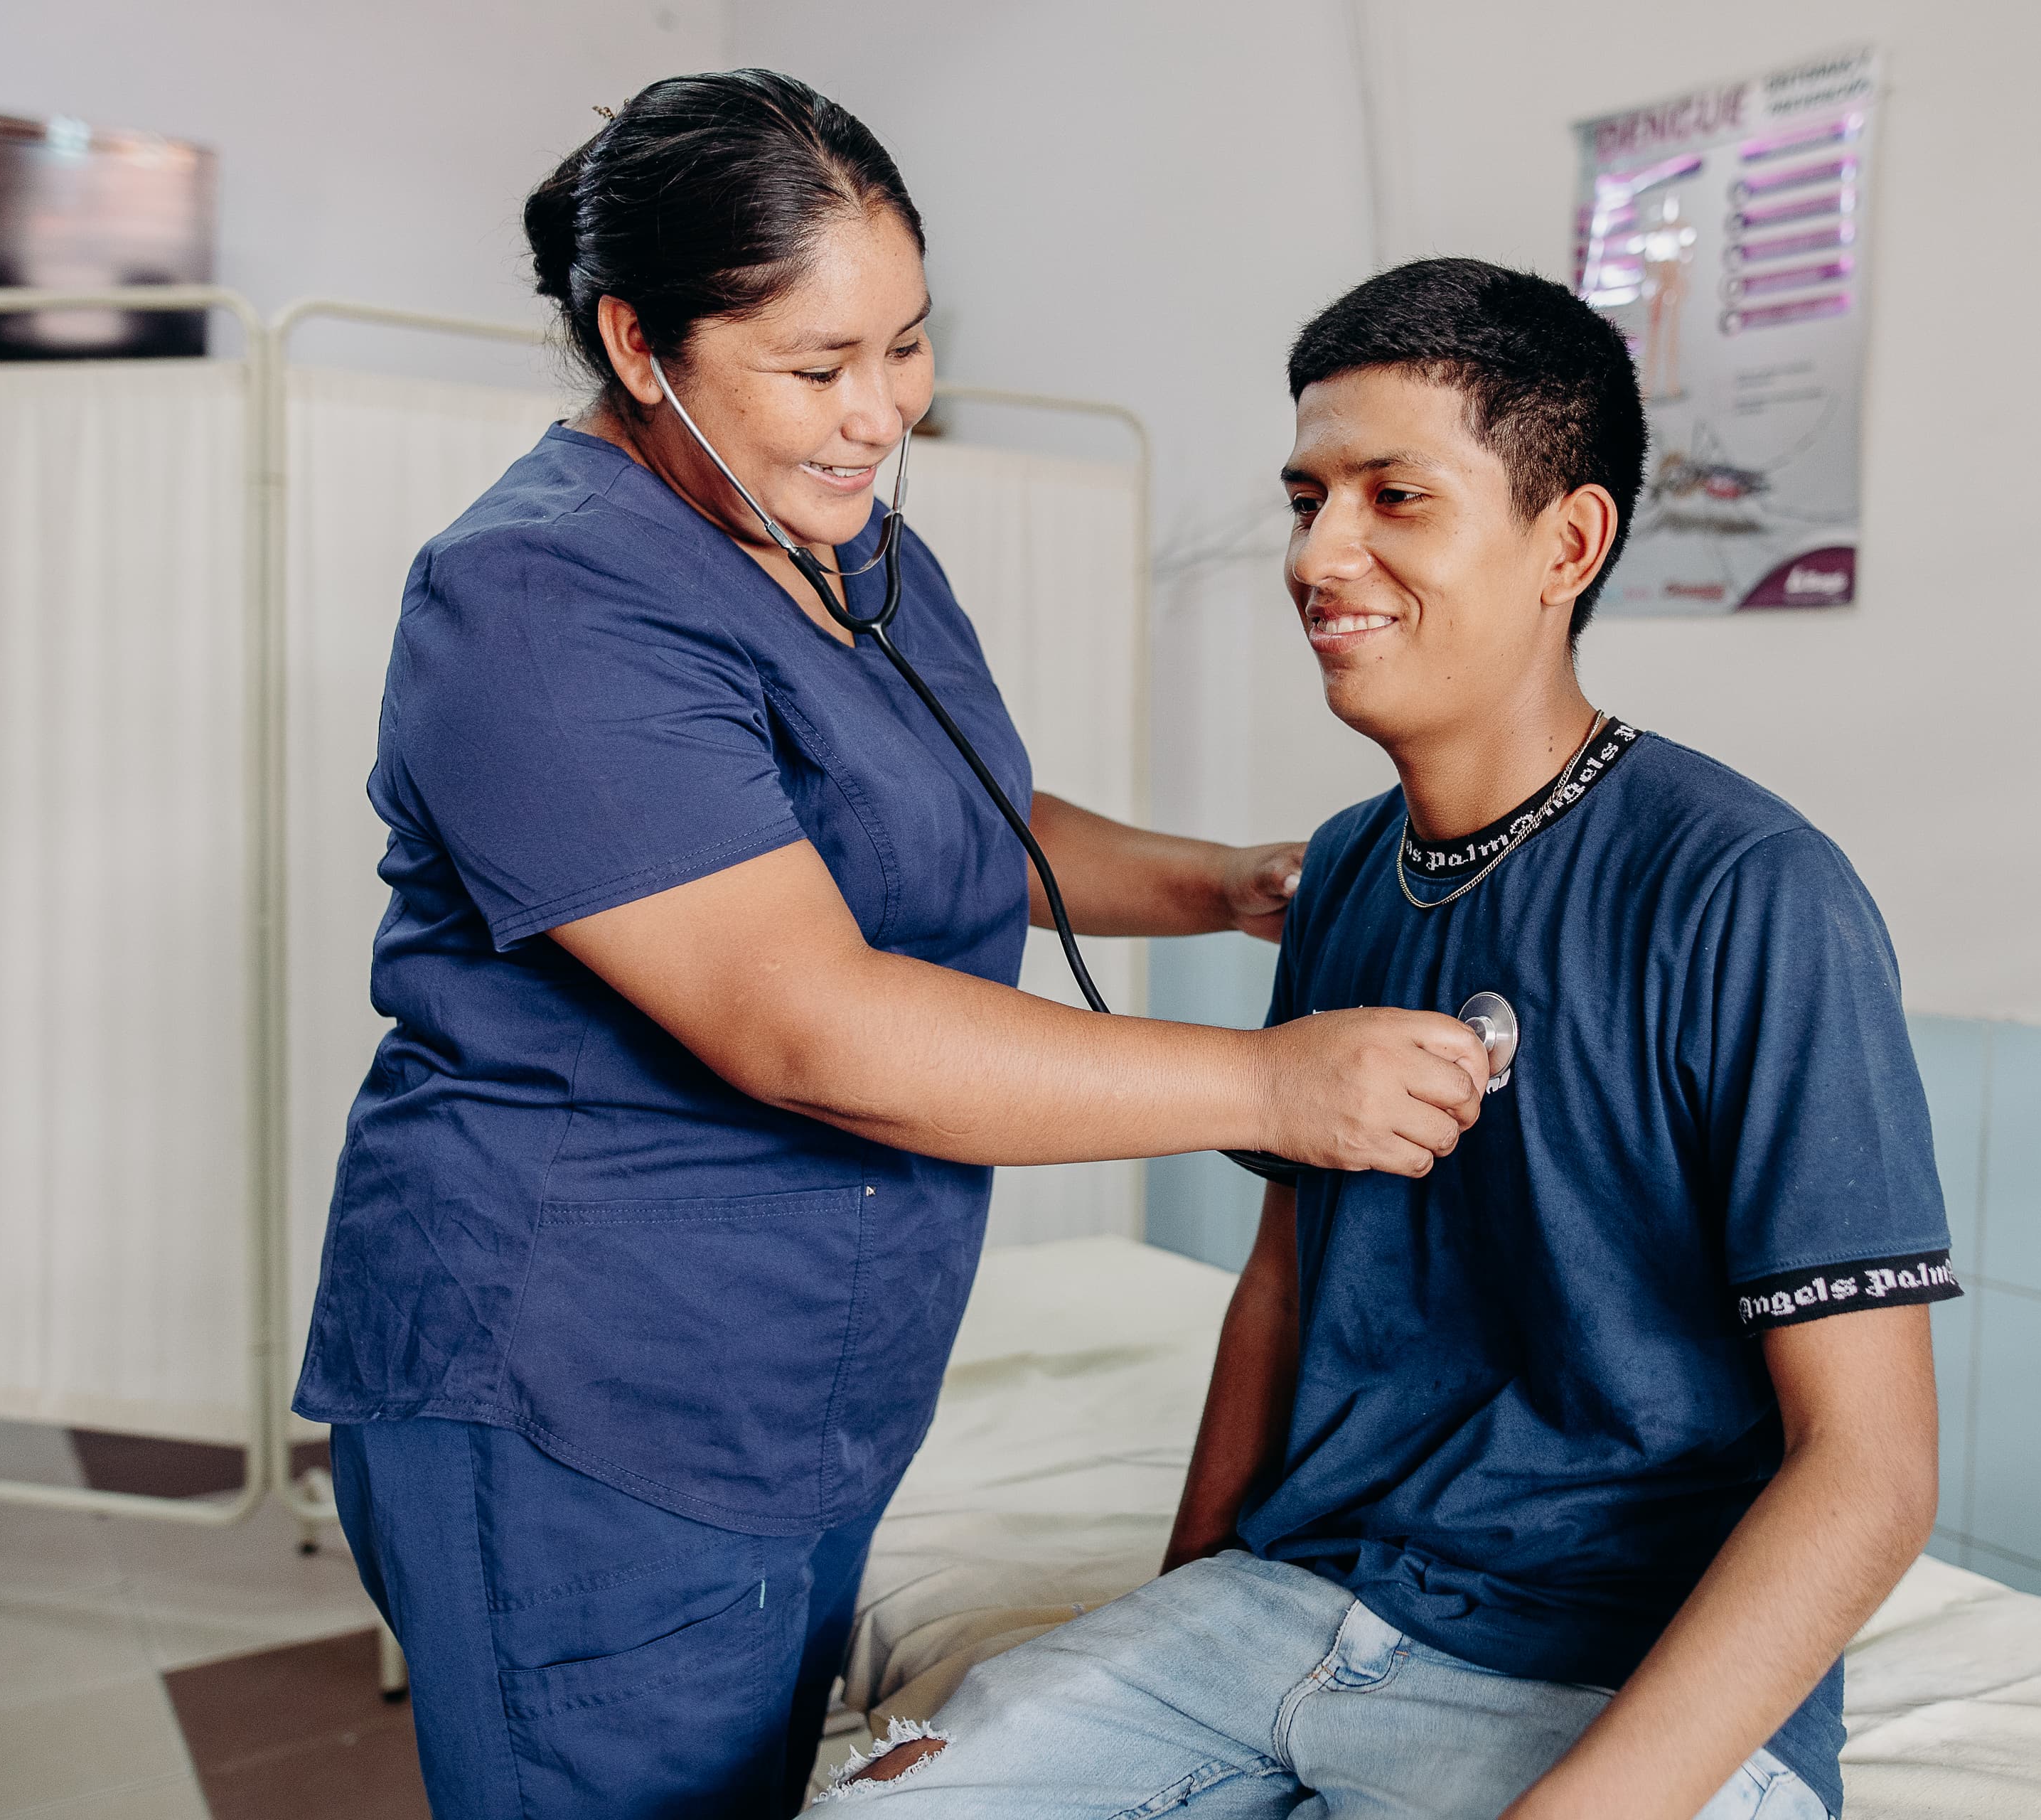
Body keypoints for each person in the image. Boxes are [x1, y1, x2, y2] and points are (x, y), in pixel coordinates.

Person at [291, 74, 1494, 1820]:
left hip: (806, 1380)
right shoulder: (539, 603)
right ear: (637, 343)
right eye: (818, 365)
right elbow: (811, 1022)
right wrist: (1270, 1082)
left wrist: (1227, 883)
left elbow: (958, 825)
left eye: (909, 346)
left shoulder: (847, 545)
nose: (881, 414)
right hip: (581, 1395)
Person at [823, 259, 1955, 1819]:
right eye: (1305, 496)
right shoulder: (1349, 868)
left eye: (1392, 497)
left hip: (1599, 1667)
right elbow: (1285, 1284)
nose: (1316, 551)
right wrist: (1180, 1607)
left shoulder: (1747, 894)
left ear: (1569, 540)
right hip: (1291, 1604)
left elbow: (1874, 1469)